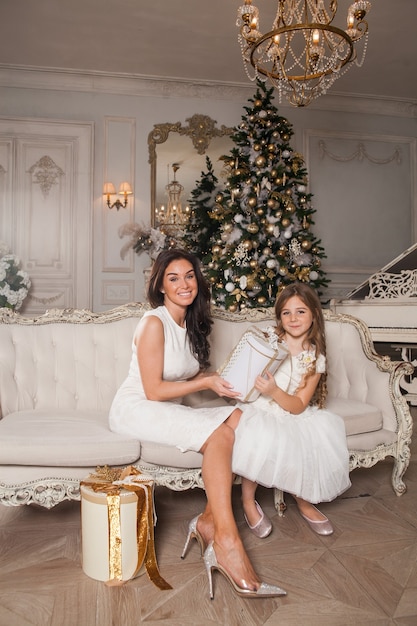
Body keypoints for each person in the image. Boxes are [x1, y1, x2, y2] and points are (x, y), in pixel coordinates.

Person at [109, 248, 286, 599]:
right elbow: (155, 390)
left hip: (163, 410)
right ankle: (227, 540)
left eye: (189, 275)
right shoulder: (153, 323)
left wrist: (241, 378)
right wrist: (206, 383)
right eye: (173, 278)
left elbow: (201, 374)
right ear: (160, 285)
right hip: (137, 408)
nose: (184, 284)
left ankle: (207, 519)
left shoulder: (192, 323)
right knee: (219, 434)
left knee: (244, 417)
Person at [232, 282, 351, 538]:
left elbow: (298, 406)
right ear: (279, 317)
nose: (293, 318)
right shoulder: (270, 340)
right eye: (286, 312)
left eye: (301, 311)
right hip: (260, 407)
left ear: (314, 316)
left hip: (291, 409)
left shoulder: (315, 357)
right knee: (257, 437)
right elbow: (244, 368)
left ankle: (304, 501)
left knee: (303, 442)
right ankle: (247, 501)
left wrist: (274, 391)